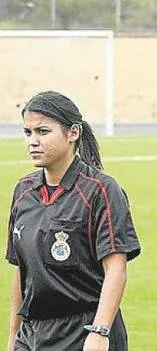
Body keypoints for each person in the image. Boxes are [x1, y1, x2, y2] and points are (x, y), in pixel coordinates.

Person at [6, 91, 141, 351]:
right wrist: (13, 338)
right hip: (32, 335)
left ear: (73, 133)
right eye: (27, 133)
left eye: (43, 132)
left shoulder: (101, 190)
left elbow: (116, 270)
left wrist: (100, 331)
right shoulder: (22, 192)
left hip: (83, 332)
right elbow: (21, 274)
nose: (33, 141)